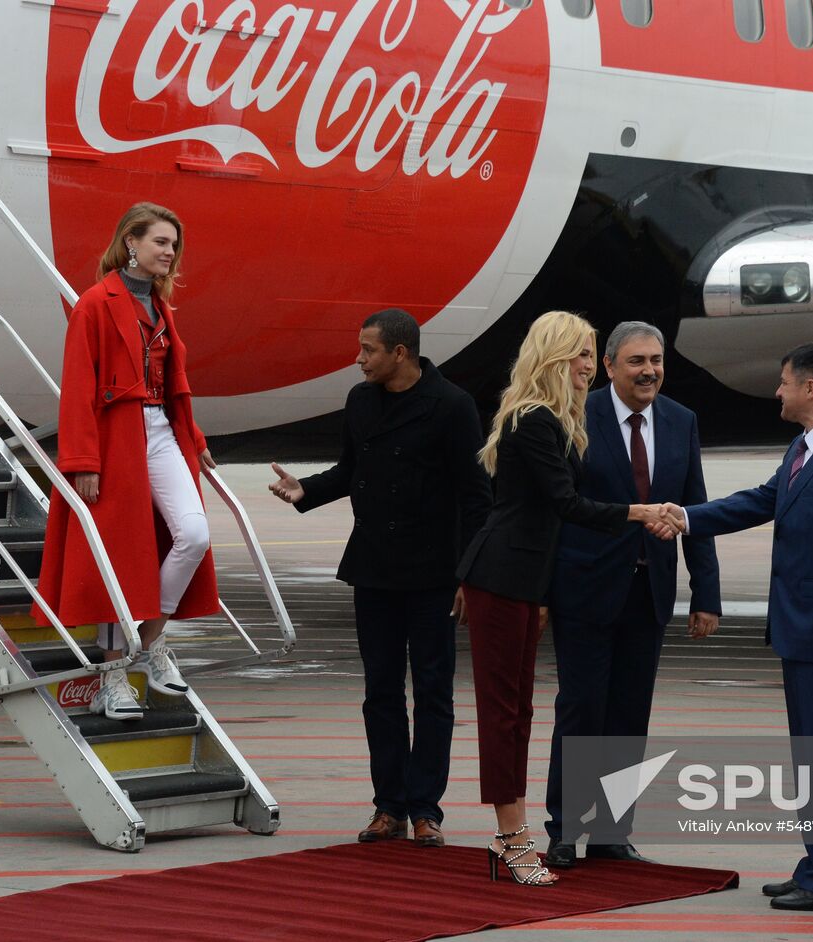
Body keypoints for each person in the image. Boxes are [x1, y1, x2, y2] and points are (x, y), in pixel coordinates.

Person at [655, 341, 813, 912]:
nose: (778, 392)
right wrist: (688, 517)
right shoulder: (808, 445)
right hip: (804, 628)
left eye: (784, 382)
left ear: (810, 388)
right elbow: (761, 501)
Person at [455, 310, 678, 887]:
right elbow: (567, 504)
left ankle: (532, 833)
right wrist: (638, 511)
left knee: (520, 712)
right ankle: (512, 840)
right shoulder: (533, 420)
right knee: (505, 715)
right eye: (582, 354)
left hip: (523, 580)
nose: (588, 366)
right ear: (556, 357)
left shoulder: (553, 419)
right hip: (502, 576)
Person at [269, 309, 491, 848]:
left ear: (401, 353)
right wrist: (308, 490)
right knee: (381, 691)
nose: (358, 359)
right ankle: (388, 806)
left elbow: (476, 496)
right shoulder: (360, 400)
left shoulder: (453, 406)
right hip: (374, 567)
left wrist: (470, 575)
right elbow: (353, 469)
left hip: (434, 572)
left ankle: (425, 809)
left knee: (434, 692)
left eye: (368, 350)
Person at [542, 321, 721, 869]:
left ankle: (612, 834)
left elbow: (696, 507)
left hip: (649, 594)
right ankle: (565, 830)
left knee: (628, 716)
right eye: (638, 361)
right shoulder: (576, 413)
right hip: (584, 591)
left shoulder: (680, 421)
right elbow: (556, 509)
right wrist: (542, 591)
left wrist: (705, 592)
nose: (650, 371)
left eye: (657, 361)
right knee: (582, 711)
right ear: (611, 365)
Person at [35, 202, 219, 721]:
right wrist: (83, 460)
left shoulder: (160, 307)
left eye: (174, 244)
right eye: (161, 242)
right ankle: (112, 677)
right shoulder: (95, 303)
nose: (170, 252)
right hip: (115, 438)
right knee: (119, 556)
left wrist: (195, 437)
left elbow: (176, 383)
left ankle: (151, 642)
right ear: (131, 242)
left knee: (194, 534)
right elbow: (77, 389)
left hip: (161, 432)